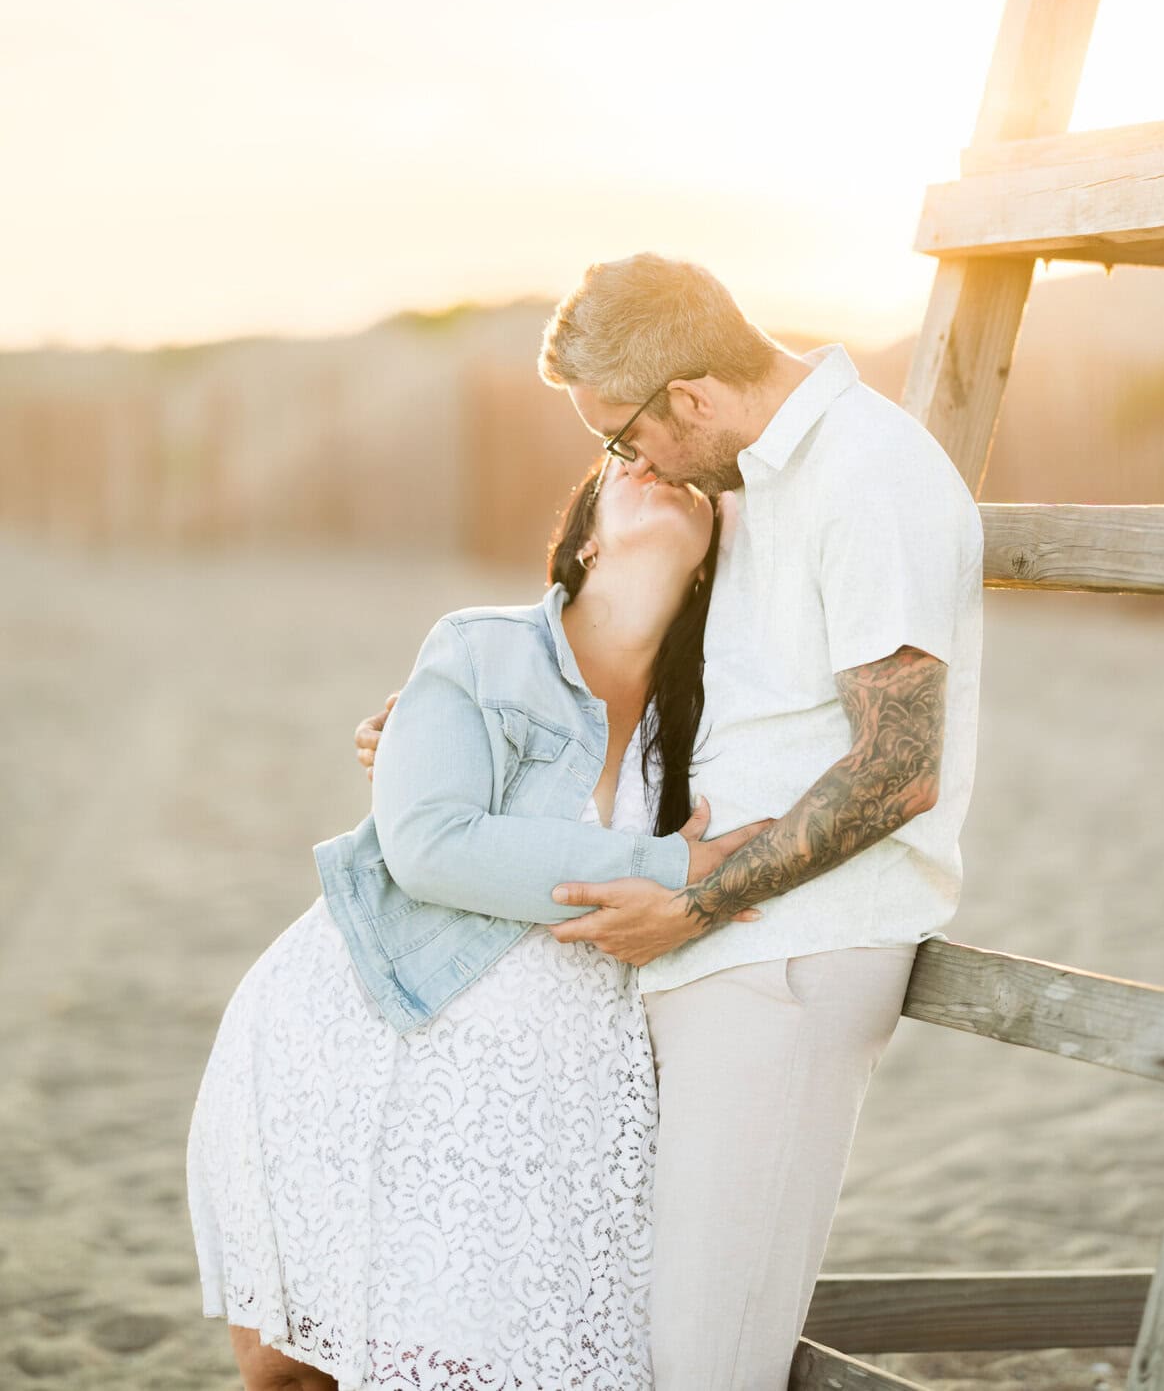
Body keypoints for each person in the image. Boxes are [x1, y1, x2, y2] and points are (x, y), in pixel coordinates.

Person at [355, 252, 985, 1390]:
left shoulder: (867, 476)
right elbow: (645, 664)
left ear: (688, 397)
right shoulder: (744, 484)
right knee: (629, 1331)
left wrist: (694, 901)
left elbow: (900, 766)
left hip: (784, 954)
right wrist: (453, 722)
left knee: (708, 1351)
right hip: (701, 940)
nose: (622, 461)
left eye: (619, 434)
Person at [186, 453, 769, 1391]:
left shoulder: (718, 711)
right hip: (362, 1033)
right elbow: (430, 847)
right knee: (292, 1368)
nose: (658, 466)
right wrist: (665, 865)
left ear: (714, 555)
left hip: (545, 1106)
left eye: (689, 479)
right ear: (583, 538)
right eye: (627, 459)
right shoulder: (481, 648)